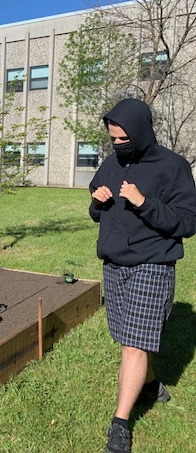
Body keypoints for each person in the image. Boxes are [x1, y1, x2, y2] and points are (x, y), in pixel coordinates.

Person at [89, 99, 196, 453]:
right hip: (114, 264)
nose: (117, 145)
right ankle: (151, 386)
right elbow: (95, 207)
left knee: (135, 344)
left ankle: (120, 426)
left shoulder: (173, 167)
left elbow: (187, 222)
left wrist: (143, 202)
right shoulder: (111, 162)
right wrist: (97, 200)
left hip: (153, 262)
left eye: (122, 138)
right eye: (112, 138)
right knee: (128, 338)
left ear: (140, 132)